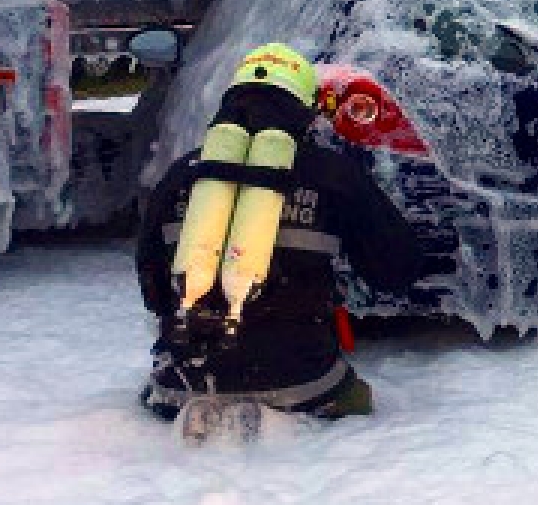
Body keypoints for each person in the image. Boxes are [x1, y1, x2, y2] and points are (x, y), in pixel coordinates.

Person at [137, 42, 425, 422]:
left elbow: (155, 292)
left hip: (178, 394)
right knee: (358, 401)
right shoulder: (333, 175)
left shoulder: (179, 176)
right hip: (304, 390)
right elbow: (397, 270)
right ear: (304, 110)